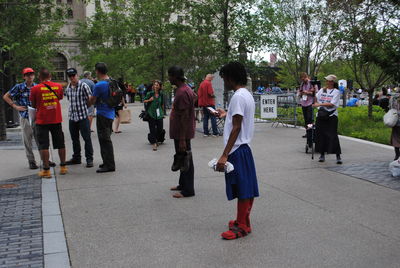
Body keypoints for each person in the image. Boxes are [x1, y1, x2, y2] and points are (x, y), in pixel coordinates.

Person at [215, 61, 259, 240]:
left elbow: (237, 127)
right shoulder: (245, 94)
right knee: (246, 186)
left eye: (224, 78)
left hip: (237, 149)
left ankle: (241, 226)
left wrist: (224, 154)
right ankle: (244, 221)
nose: (224, 82)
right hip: (244, 148)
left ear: (231, 78)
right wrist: (226, 114)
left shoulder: (238, 97)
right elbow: (239, 118)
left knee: (242, 188)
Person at [30, 68, 67, 178]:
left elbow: (33, 104)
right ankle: (63, 167)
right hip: (56, 119)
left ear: (39, 77)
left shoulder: (35, 88)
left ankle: (46, 170)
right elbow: (60, 97)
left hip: (42, 120)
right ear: (50, 76)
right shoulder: (58, 86)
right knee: (61, 143)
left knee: (44, 145)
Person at [3, 68, 39, 169]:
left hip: (37, 117)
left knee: (40, 139)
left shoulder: (37, 86)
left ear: (34, 75)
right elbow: (6, 96)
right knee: (27, 141)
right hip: (25, 117)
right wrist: (15, 106)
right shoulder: (19, 87)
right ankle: (31, 161)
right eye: (27, 75)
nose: (30, 76)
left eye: (31, 74)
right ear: (24, 77)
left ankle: (45, 159)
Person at [168, 66, 196, 198]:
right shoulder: (185, 89)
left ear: (175, 76)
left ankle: (188, 190)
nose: (168, 78)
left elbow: (184, 116)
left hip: (182, 133)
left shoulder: (182, 92)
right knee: (181, 157)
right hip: (180, 132)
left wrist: (183, 138)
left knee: (186, 159)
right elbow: (194, 98)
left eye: (170, 75)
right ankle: (182, 184)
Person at [88, 62, 116, 173]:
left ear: (97, 71)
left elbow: (92, 100)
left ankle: (109, 165)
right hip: (111, 113)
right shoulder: (112, 81)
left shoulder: (99, 85)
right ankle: (106, 161)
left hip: (102, 114)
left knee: (104, 140)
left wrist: (89, 98)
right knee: (106, 138)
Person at [64, 68, 94, 168]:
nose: (72, 78)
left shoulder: (83, 86)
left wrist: (86, 108)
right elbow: (69, 100)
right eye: (70, 76)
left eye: (74, 75)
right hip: (72, 117)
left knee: (87, 138)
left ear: (77, 75)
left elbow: (90, 99)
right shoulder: (68, 87)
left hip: (83, 117)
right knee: (74, 139)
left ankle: (89, 159)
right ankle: (77, 158)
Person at [313, 74, 342, 164]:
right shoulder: (322, 90)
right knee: (321, 135)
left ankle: (338, 156)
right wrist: (313, 93)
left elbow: (332, 104)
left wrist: (320, 104)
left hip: (331, 116)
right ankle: (322, 154)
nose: (327, 82)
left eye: (329, 81)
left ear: (332, 82)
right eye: (326, 80)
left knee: (332, 135)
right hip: (321, 115)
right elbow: (316, 99)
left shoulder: (336, 92)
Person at [144, 80, 165, 151]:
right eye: (154, 85)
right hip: (151, 113)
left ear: (159, 87)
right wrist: (149, 100)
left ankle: (155, 139)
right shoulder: (150, 93)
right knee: (152, 129)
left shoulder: (161, 94)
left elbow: (162, 103)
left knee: (160, 129)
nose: (155, 86)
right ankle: (154, 144)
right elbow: (144, 100)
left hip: (159, 114)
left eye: (157, 85)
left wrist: (163, 113)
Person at [298, 72, 317, 147]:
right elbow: (300, 91)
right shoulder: (302, 84)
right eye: (302, 78)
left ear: (307, 77)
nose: (303, 79)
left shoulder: (311, 83)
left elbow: (314, 92)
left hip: (310, 103)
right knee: (306, 119)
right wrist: (301, 93)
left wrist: (307, 92)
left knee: (310, 119)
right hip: (304, 103)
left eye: (304, 78)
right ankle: (307, 132)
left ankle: (311, 133)